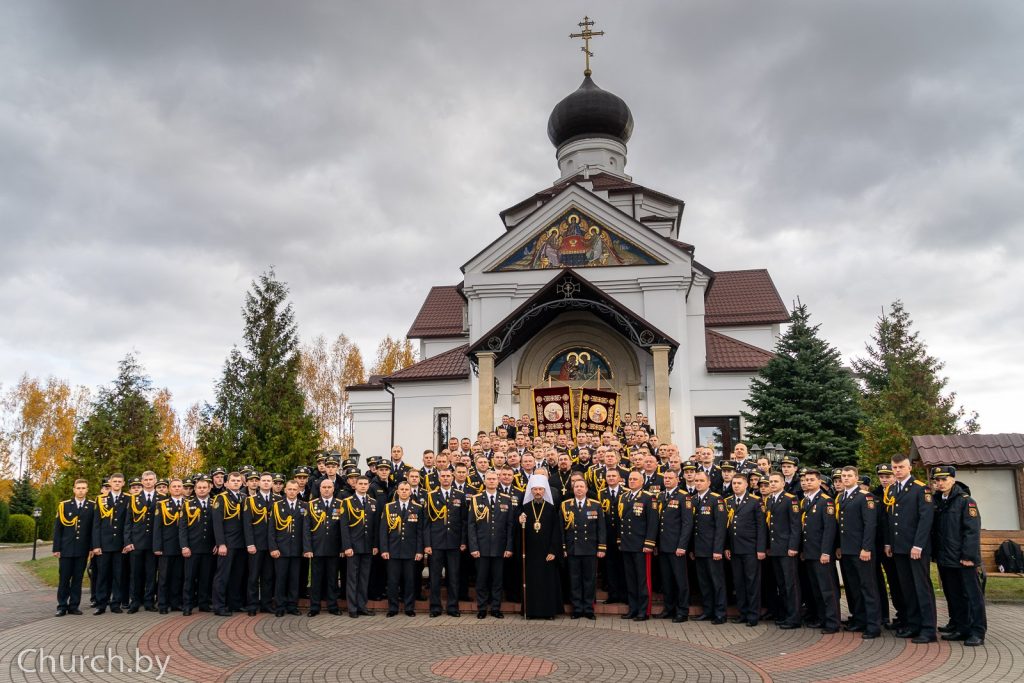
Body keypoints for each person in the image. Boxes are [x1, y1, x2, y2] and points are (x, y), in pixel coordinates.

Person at [930, 465, 986, 646]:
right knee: (953, 595)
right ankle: (961, 627)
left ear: (953, 479)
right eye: (937, 480)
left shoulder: (965, 501)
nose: (940, 483)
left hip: (964, 559)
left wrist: (969, 556)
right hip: (946, 558)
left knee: (972, 596)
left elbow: (972, 531)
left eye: (944, 479)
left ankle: (977, 631)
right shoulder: (938, 501)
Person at [885, 453, 937, 643]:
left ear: (909, 468)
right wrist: (889, 542)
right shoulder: (892, 489)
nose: (897, 470)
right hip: (899, 548)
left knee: (921, 588)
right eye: (895, 467)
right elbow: (892, 519)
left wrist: (918, 545)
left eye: (901, 467)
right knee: (907, 588)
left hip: (915, 548)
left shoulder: (920, 489)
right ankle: (913, 625)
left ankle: (928, 629)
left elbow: (926, 520)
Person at [837, 466, 881, 639]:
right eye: (843, 476)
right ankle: (860, 619)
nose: (845, 478)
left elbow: (870, 525)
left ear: (856, 478)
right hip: (847, 550)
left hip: (861, 551)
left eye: (849, 476)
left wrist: (866, 548)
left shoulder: (865, 497)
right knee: (854, 588)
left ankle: (873, 625)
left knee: (868, 588)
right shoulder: (841, 497)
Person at [468, 471, 515, 619]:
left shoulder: (506, 499)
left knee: (497, 580)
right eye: (489, 479)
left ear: (499, 480)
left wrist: (509, 547)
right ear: (485, 481)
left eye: (494, 479)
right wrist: (474, 547)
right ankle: (482, 608)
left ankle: (496, 608)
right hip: (481, 548)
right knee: (481, 580)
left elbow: (510, 526)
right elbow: (471, 526)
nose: (492, 481)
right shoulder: (476, 499)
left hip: (500, 548)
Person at [800, 468, 841, 634]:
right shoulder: (805, 501)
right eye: (806, 479)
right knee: (816, 589)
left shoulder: (826, 501)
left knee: (827, 589)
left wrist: (826, 552)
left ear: (819, 482)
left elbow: (829, 529)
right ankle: (822, 618)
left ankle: (832, 622)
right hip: (809, 552)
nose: (808, 482)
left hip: (821, 553)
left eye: (811, 479)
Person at [518, 475, 562, 619]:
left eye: (540, 489)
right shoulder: (524, 508)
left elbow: (556, 532)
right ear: (531, 491)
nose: (538, 492)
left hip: (546, 553)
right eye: (535, 489)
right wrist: (520, 522)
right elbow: (518, 532)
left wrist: (553, 551)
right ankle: (530, 611)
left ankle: (548, 612)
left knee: (546, 583)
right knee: (531, 582)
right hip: (530, 553)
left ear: (545, 491)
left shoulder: (550, 508)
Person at [725, 472, 765, 627]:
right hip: (734, 549)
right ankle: (743, 613)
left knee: (752, 583)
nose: (736, 486)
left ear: (746, 485)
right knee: (739, 583)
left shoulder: (755, 501)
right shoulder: (728, 501)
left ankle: (753, 616)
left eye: (739, 483)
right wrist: (727, 546)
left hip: (750, 549)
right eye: (734, 483)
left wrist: (760, 549)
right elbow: (727, 527)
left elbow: (761, 528)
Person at [424, 468, 466, 618]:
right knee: (435, 577)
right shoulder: (431, 496)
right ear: (439, 478)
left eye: (449, 476)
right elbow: (426, 523)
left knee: (453, 577)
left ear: (453, 477)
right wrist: (427, 544)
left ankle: (453, 607)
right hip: (436, 543)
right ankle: (435, 607)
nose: (446, 478)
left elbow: (463, 521)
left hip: (454, 543)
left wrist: (462, 541)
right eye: (444, 476)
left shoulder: (460, 496)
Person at [562, 478, 605, 620]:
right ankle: (577, 608)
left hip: (590, 548)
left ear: (586, 489)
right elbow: (561, 530)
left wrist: (601, 547)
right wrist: (563, 547)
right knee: (574, 580)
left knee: (589, 580)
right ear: (573, 489)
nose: (579, 489)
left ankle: (588, 609)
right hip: (572, 548)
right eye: (576, 486)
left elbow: (601, 528)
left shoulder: (595, 505)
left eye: (581, 486)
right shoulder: (565, 505)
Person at [380, 481, 424, 617]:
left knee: (409, 581)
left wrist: (419, 551)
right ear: (397, 492)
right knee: (392, 581)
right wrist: (384, 549)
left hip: (410, 551)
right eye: (402, 489)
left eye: (406, 489)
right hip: (393, 551)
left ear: (411, 492)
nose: (404, 491)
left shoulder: (417, 508)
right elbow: (383, 531)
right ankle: (392, 608)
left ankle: (409, 607)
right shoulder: (389, 507)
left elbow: (420, 532)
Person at [618, 471, 657, 621]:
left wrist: (649, 543)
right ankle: (633, 608)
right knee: (631, 579)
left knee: (642, 579)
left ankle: (643, 610)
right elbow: (622, 521)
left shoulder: (648, 497)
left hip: (641, 545)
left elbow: (652, 523)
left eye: (635, 479)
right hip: (627, 544)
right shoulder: (624, 497)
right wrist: (620, 540)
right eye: (630, 479)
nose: (632, 481)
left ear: (642, 482)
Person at [53, 479, 95, 616]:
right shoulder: (64, 506)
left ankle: (74, 606)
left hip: (82, 549)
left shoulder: (92, 506)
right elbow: (58, 529)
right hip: (66, 549)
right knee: (64, 578)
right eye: (78, 488)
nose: (81, 490)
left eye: (83, 488)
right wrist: (56, 548)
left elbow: (93, 530)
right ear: (74, 489)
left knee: (77, 579)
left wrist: (91, 548)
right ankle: (62, 606)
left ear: (87, 490)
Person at [656, 470, 693, 623]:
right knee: (667, 580)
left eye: (670, 478)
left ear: (677, 480)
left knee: (680, 580)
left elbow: (687, 523)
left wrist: (682, 545)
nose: (667, 480)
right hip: (663, 546)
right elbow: (657, 523)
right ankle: (669, 608)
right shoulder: (659, 496)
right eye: (665, 478)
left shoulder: (684, 497)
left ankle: (682, 611)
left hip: (677, 546)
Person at [766, 472, 802, 629]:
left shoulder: (790, 499)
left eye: (775, 481)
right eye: (770, 481)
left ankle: (794, 618)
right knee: (781, 584)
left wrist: (793, 547)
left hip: (787, 549)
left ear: (783, 484)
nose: (772, 484)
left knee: (790, 584)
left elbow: (795, 526)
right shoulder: (770, 500)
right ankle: (786, 614)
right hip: (775, 549)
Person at [341, 475, 379, 618]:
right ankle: (352, 608)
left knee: (364, 578)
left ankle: (362, 606)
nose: (363, 486)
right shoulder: (347, 502)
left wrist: (375, 545)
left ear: (369, 486)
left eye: (365, 484)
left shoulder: (372, 502)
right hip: (353, 546)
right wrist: (347, 546)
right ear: (355, 486)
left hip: (368, 546)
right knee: (352, 578)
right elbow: (344, 527)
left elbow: (374, 527)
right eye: (360, 484)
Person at [691, 470, 727, 624]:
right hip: (699, 549)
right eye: (696, 481)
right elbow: (692, 527)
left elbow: (720, 527)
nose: (698, 483)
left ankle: (720, 613)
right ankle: (708, 610)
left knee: (716, 582)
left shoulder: (716, 499)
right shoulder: (692, 500)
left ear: (709, 483)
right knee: (704, 582)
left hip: (713, 549)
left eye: (701, 480)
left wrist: (718, 549)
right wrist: (692, 549)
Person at [304, 478, 343, 616]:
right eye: (324, 487)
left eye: (329, 487)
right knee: (316, 579)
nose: (326, 489)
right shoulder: (311, 504)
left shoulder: (340, 504)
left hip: (334, 549)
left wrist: (342, 548)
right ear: (320, 489)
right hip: (317, 549)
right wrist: (308, 548)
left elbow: (343, 530)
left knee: (332, 579)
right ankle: (314, 607)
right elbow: (307, 529)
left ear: (333, 489)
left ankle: (333, 606)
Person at [91, 472, 129, 615]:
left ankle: (115, 604)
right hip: (104, 544)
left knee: (118, 575)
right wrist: (96, 545)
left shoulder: (128, 499)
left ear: (123, 483)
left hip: (120, 545)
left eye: (120, 481)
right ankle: (101, 604)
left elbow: (128, 523)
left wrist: (126, 543)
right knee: (103, 575)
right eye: (115, 481)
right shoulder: (101, 500)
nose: (117, 483)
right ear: (110, 483)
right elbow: (96, 525)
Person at [124, 470, 160, 613]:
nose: (148, 481)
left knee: (151, 574)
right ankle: (135, 602)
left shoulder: (162, 498)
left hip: (153, 543)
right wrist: (128, 541)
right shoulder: (133, 499)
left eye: (151, 479)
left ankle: (149, 601)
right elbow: (128, 522)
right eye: (146, 479)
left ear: (155, 481)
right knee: (135, 574)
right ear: (142, 481)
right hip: (137, 542)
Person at [212, 471, 247, 616]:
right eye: (233, 480)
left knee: (237, 575)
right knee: (222, 575)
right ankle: (219, 606)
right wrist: (221, 544)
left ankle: (234, 603)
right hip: (227, 543)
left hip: (241, 543)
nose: (236, 482)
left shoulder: (244, 497)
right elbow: (217, 524)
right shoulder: (221, 498)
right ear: (226, 483)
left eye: (238, 480)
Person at [179, 474, 215, 616]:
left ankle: (204, 604)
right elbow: (182, 528)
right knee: (189, 578)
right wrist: (184, 546)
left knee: (205, 578)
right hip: (192, 548)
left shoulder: (214, 503)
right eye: (199, 487)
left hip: (209, 548)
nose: (201, 490)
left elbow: (217, 527)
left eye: (204, 487)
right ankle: (187, 605)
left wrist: (217, 544)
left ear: (209, 488)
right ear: (195, 489)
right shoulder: (188, 504)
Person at [269, 479, 305, 617]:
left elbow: (305, 530)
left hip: (296, 550)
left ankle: (292, 605)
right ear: (285, 490)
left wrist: (305, 548)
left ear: (298, 491)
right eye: (289, 489)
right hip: (281, 550)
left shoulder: (304, 506)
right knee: (281, 579)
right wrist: (273, 547)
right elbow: (271, 529)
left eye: (294, 489)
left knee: (294, 579)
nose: (292, 492)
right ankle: (280, 606)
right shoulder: (277, 506)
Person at [243, 472, 277, 616]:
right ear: (258, 483)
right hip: (256, 545)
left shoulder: (278, 500)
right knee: (253, 576)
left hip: (271, 545)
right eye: (263, 480)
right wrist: (250, 543)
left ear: (272, 483)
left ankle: (266, 604)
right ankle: (252, 605)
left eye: (269, 481)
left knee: (268, 576)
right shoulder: (250, 501)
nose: (265, 483)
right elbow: (247, 525)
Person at [153, 478, 186, 614]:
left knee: (178, 577)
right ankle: (162, 604)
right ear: (169, 489)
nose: (177, 488)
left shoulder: (188, 503)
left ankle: (175, 603)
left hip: (182, 547)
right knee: (164, 577)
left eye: (179, 486)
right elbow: (157, 528)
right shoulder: (162, 504)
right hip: (166, 546)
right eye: (174, 486)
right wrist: (157, 547)